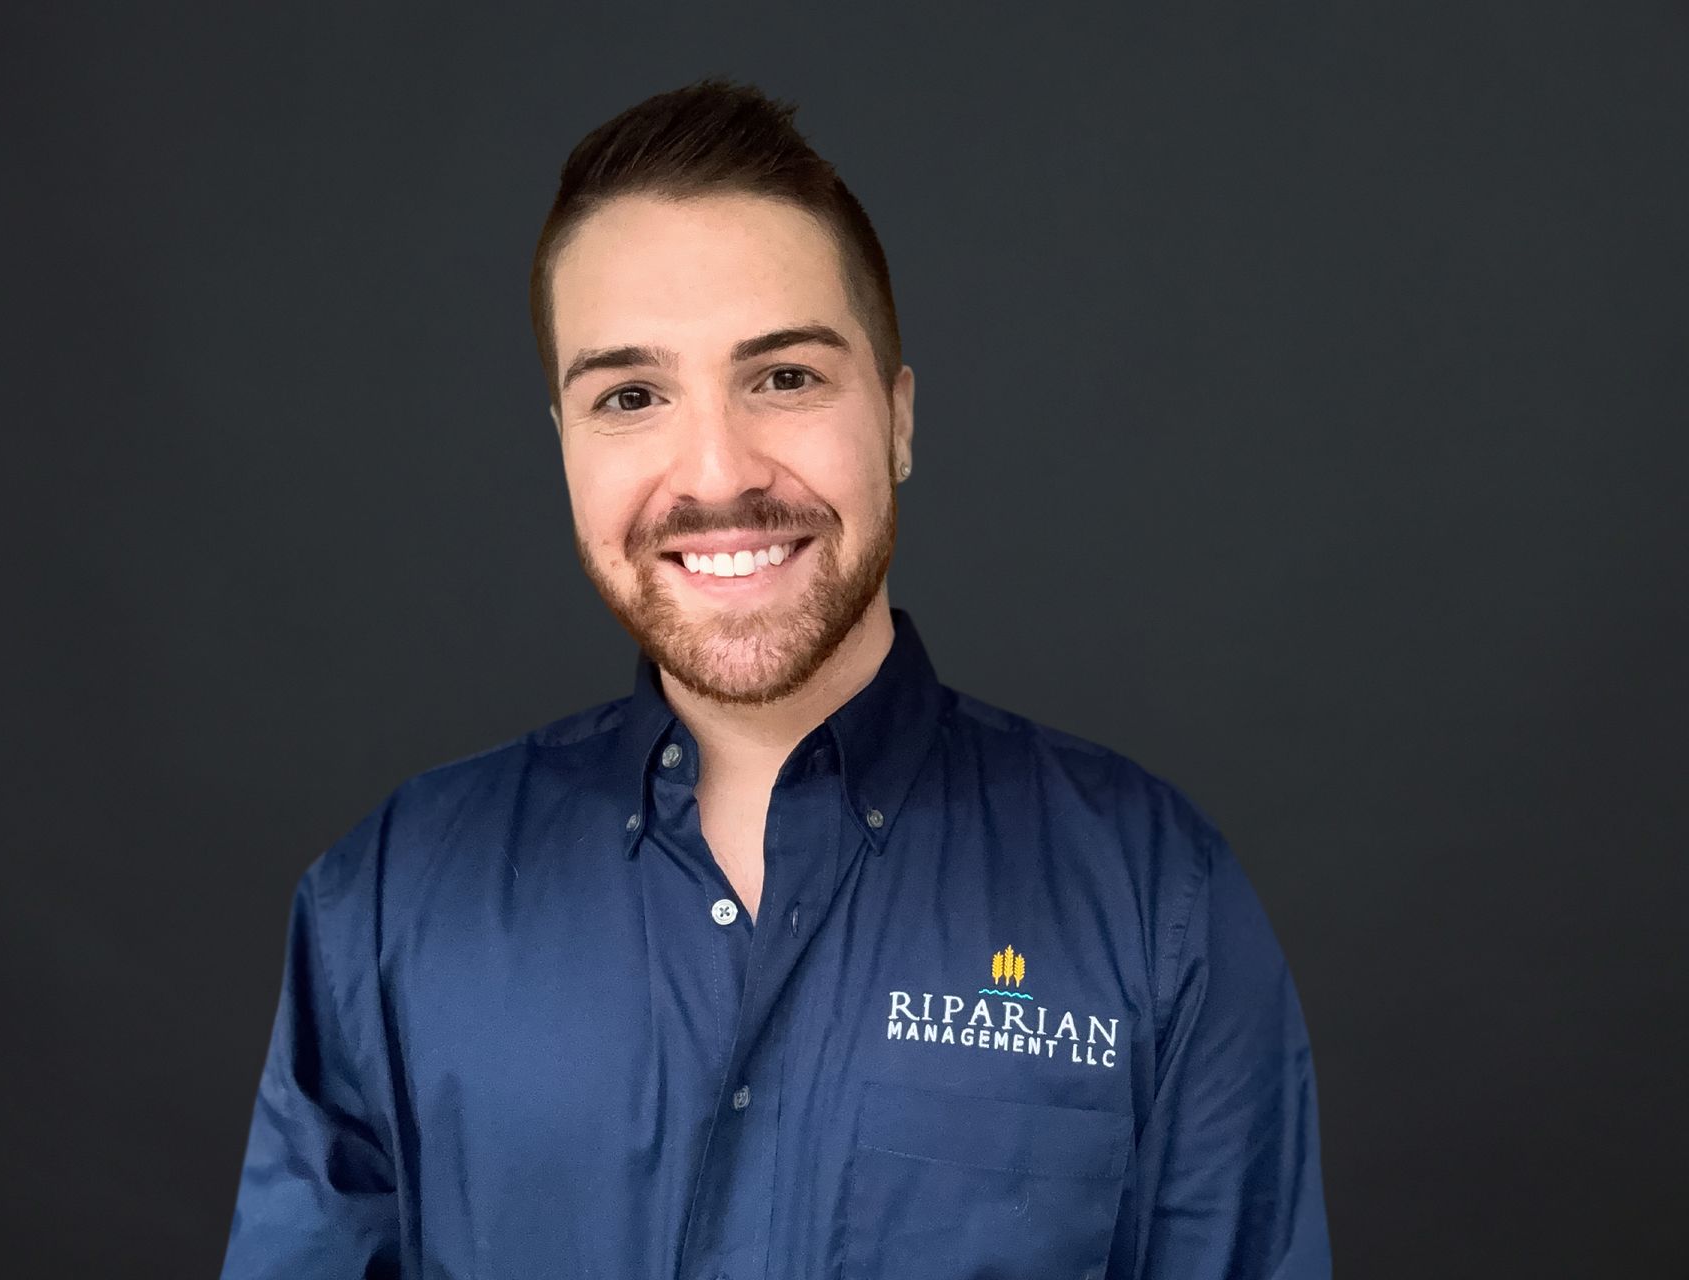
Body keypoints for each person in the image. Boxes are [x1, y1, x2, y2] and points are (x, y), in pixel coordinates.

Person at [219, 77, 1331, 1280]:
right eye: (631, 397)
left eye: (785, 377)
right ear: (564, 444)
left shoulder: (1157, 900)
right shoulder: (385, 907)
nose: (716, 471)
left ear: (897, 416)